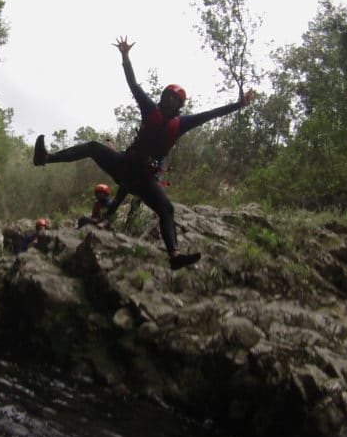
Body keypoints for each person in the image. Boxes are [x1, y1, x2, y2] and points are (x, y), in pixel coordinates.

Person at [33, 36, 256, 270]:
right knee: (92, 147)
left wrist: (238, 105)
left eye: (175, 99)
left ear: (179, 106)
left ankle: (175, 256)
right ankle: (46, 158)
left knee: (166, 210)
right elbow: (134, 84)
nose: (170, 100)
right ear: (162, 98)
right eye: (168, 96)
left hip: (143, 180)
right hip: (124, 165)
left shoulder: (182, 123)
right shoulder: (150, 110)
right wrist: (125, 56)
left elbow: (210, 114)